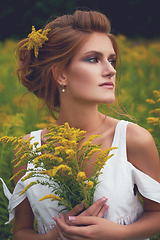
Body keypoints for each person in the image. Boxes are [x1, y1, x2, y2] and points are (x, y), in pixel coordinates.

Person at [2, 10, 160, 240]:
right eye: (93, 59)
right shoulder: (28, 151)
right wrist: (55, 236)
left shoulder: (133, 139)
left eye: (111, 59)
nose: (111, 70)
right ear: (60, 74)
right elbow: (21, 232)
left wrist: (119, 233)